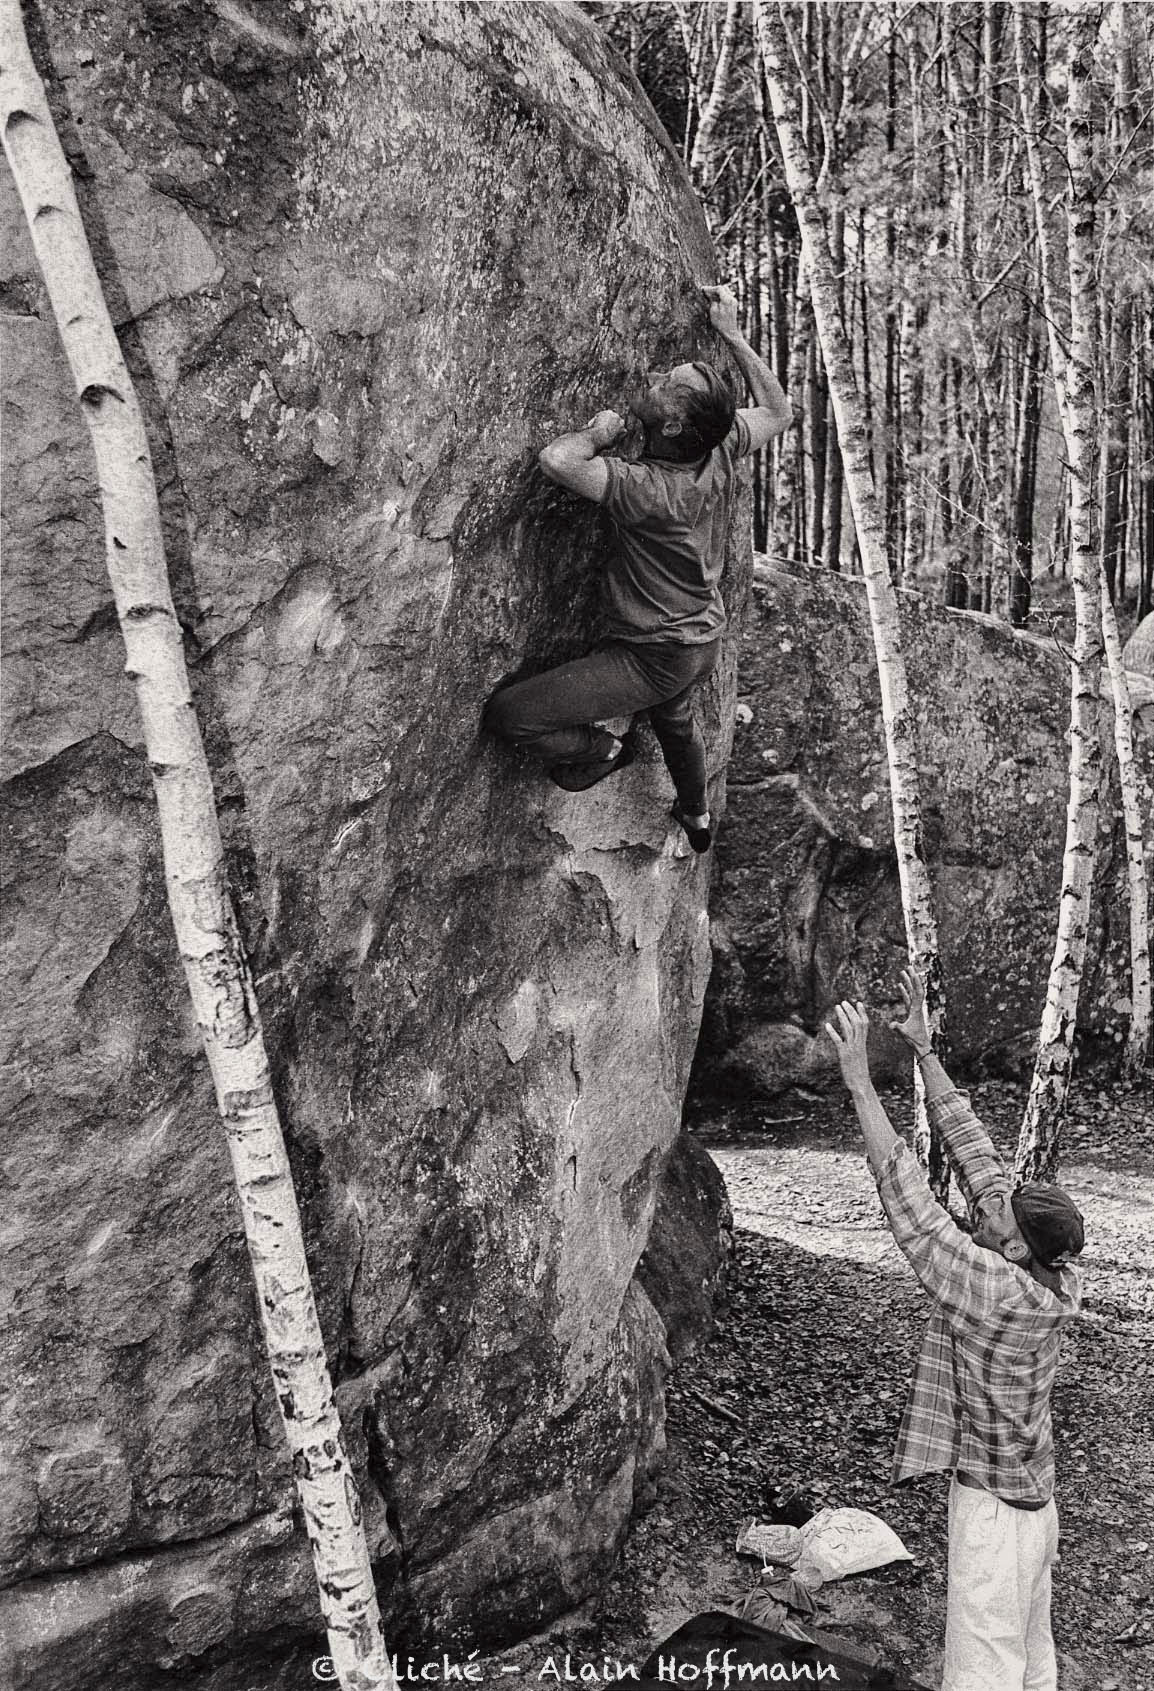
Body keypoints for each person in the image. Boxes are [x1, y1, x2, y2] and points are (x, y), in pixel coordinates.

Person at [825, 970, 1085, 1691]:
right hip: (1038, 1505)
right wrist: (924, 1052)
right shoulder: (1054, 1274)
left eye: (1002, 1214)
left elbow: (910, 1198)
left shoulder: (994, 1289)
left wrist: (859, 1082)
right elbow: (981, 1161)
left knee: (981, 1670)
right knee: (1032, 1658)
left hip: (995, 1515)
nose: (989, 1201)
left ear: (1013, 1248)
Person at [482, 285, 790, 852]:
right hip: (699, 636)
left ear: (673, 428)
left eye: (672, 386)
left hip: (652, 654)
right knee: (674, 719)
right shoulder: (720, 445)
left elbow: (558, 460)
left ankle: (601, 751)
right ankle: (696, 815)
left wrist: (598, 436)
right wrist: (733, 335)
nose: (659, 376)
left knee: (511, 715)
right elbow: (778, 411)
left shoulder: (649, 490)